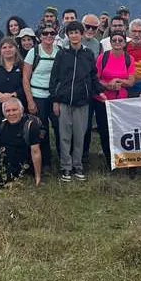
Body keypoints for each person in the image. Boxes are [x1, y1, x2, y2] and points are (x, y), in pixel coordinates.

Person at [49, 21, 102, 182]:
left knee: (79, 136)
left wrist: (100, 92)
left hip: (82, 102)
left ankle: (78, 165)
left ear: (82, 34)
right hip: (64, 101)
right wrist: (55, 100)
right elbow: (54, 78)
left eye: (76, 32)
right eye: (71, 33)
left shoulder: (88, 54)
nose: (74, 35)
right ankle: (66, 167)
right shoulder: (62, 54)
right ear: (68, 35)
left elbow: (93, 76)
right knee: (65, 136)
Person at [94, 31, 135, 168]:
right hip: (103, 100)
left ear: (124, 43)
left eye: (120, 40)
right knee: (104, 131)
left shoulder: (129, 59)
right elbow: (96, 79)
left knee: (121, 131)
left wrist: (118, 81)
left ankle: (121, 158)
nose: (117, 42)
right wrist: (108, 85)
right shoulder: (102, 58)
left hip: (120, 102)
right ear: (110, 42)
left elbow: (131, 82)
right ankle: (108, 160)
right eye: (114, 40)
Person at [23, 25, 60, 169]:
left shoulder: (59, 52)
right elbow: (25, 78)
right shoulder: (34, 52)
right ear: (40, 36)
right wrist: (30, 100)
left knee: (58, 128)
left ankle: (62, 158)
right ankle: (45, 161)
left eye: (52, 33)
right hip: (37, 95)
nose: (49, 36)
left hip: (54, 96)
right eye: (45, 33)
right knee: (41, 129)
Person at [0, 37, 27, 120]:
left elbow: (26, 84)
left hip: (18, 105)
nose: (8, 50)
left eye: (10, 47)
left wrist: (12, 95)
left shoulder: (22, 65)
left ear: (16, 49)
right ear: (0, 50)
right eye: (4, 47)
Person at [126, 19, 141, 98]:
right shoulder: (123, 48)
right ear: (129, 32)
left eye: (140, 32)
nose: (137, 34)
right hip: (126, 87)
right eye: (134, 31)